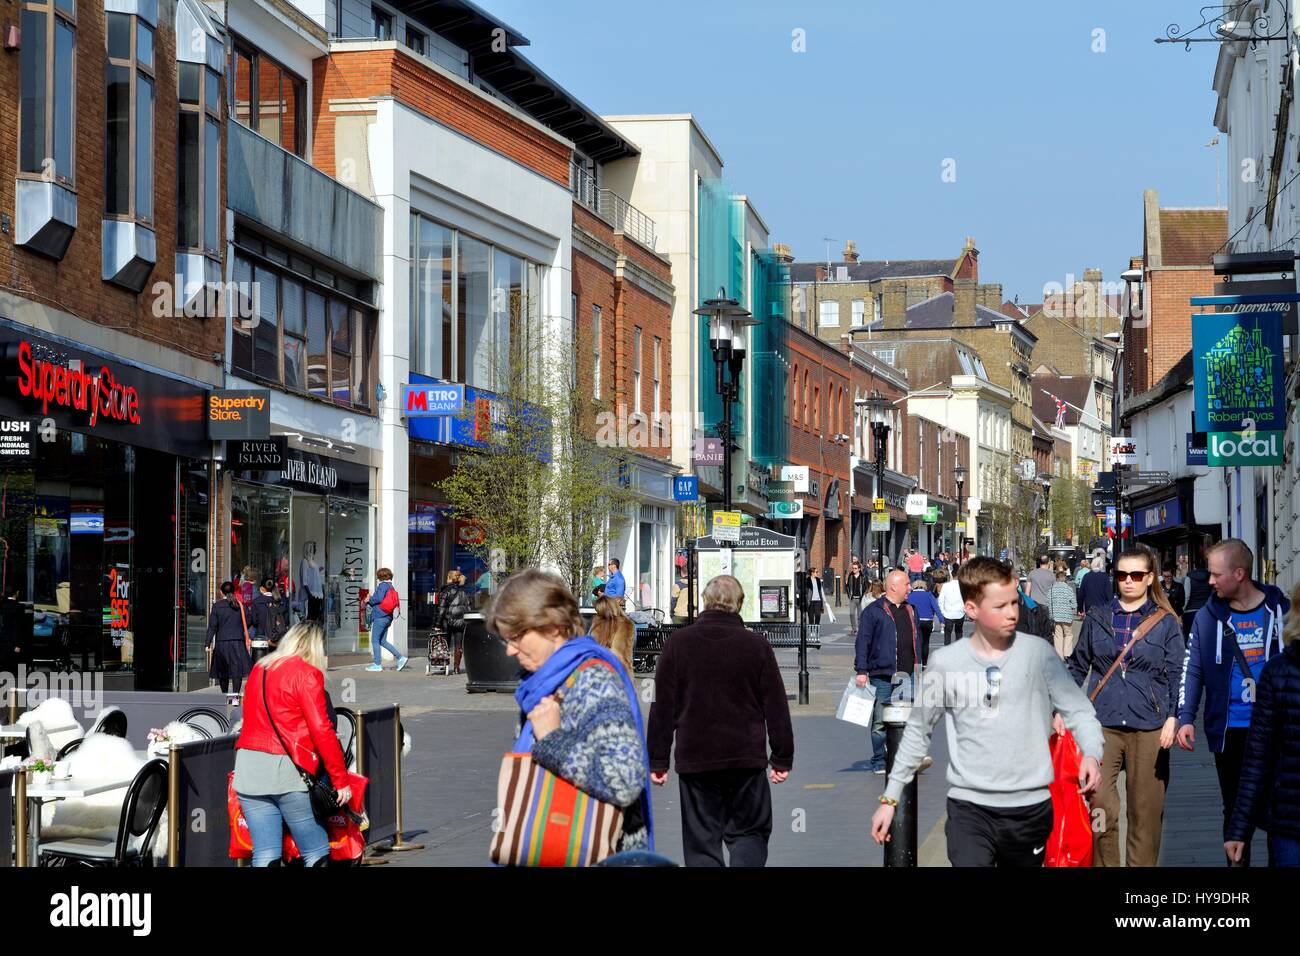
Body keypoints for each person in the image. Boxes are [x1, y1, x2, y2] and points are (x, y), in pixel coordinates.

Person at [871, 557, 1104, 866]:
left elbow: (1079, 710)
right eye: (1000, 606)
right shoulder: (947, 663)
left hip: (1029, 807)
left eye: (1014, 603)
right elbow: (916, 732)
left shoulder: (1039, 655)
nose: (1012, 613)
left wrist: (1091, 753)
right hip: (970, 808)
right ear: (971, 609)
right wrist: (890, 798)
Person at [489, 569, 653, 854]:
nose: (510, 651)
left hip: (593, 853)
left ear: (553, 628)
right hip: (552, 846)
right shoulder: (543, 681)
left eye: (516, 637)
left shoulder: (593, 681)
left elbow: (626, 778)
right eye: (506, 640)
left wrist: (553, 740)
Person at [646, 575, 793, 866]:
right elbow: (776, 705)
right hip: (745, 759)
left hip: (696, 759)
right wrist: (782, 757)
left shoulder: (678, 644)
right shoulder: (756, 646)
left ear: (704, 601)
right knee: (750, 833)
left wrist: (658, 760)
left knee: (702, 842)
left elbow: (662, 706)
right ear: (739, 604)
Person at [1067, 546, 1185, 867]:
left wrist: (1174, 717)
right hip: (1101, 724)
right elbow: (1077, 666)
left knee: (1145, 813)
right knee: (1099, 806)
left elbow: (1178, 674)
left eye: (1136, 574)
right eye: (1121, 575)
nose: (1128, 581)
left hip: (1149, 726)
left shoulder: (1165, 622)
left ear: (1149, 578)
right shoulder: (1098, 617)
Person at [1177, 538, 1290, 866]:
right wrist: (1186, 716)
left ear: (1239, 574)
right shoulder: (1207, 617)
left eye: (1216, 574)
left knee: (1278, 810)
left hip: (1275, 729)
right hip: (1231, 730)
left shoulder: (1280, 611)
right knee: (1236, 809)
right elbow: (1193, 668)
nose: (1210, 581)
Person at [233, 622, 351, 867]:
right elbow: (322, 729)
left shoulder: (260, 669)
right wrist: (340, 780)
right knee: (316, 852)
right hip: (288, 770)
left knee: (265, 854)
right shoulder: (306, 673)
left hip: (249, 766)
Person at [1226, 584, 1300, 867]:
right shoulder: (1278, 672)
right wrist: (1239, 827)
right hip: (1290, 822)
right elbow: (1258, 756)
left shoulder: (1277, 670)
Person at [855, 570, 921, 774]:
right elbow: (863, 641)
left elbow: (918, 640)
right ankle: (879, 760)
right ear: (893, 586)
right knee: (880, 721)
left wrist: (920, 664)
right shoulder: (874, 611)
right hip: (881, 675)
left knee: (908, 719)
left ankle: (904, 759)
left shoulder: (911, 610)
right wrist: (861, 670)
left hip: (907, 674)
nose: (910, 588)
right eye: (907, 584)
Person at [207, 580, 253, 706]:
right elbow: (249, 620)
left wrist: (207, 642)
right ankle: (235, 698)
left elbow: (212, 626)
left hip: (222, 642)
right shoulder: (239, 605)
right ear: (233, 591)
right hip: (237, 641)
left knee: (223, 671)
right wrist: (238, 629)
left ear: (221, 592)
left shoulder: (217, 606)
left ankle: (224, 697)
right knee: (237, 671)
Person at [365, 568, 407, 673]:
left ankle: (377, 664)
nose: (377, 578)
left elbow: (378, 599)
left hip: (380, 616)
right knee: (382, 641)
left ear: (381, 577)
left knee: (375, 640)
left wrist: (369, 599)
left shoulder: (382, 586)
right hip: (387, 617)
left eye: (378, 576)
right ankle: (400, 658)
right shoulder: (390, 586)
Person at [436, 569, 472, 675]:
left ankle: (445, 665)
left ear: (449, 578)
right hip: (460, 622)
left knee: (445, 644)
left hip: (447, 621)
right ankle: (456, 668)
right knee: (458, 646)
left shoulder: (445, 591)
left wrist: (437, 624)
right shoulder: (464, 592)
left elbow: (441, 610)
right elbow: (468, 607)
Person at [592, 595, 635, 677]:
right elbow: (631, 649)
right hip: (622, 673)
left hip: (599, 671)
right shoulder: (628, 625)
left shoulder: (596, 625)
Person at [251, 578, 289, 662]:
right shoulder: (280, 600)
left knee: (261, 663)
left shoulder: (257, 602)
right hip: (277, 637)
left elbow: (254, 621)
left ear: (262, 588)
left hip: (261, 636)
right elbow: (285, 620)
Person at [908, 579, 942, 667]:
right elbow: (936, 608)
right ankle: (924, 663)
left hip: (915, 621)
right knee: (925, 642)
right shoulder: (929, 595)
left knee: (916, 642)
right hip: (927, 621)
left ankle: (917, 661)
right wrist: (942, 620)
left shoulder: (910, 595)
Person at [1182, 541, 1214, 637]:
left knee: (1190, 638)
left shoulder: (1189, 578)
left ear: (1194, 567)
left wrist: (1182, 611)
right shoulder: (1209, 577)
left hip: (1190, 613)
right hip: (1205, 611)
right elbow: (1211, 595)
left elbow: (1186, 597)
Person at [1048, 570, 1078, 659]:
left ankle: (1059, 655)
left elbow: (1048, 602)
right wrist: (1072, 607)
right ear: (1064, 578)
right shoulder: (1068, 589)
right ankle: (1067, 654)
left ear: (1056, 578)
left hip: (1055, 617)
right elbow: (1074, 604)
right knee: (1068, 635)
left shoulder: (1051, 589)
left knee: (1058, 636)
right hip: (1067, 617)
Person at [939, 571, 967, 646]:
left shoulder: (946, 585)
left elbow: (941, 600)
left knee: (947, 634)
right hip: (960, 613)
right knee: (959, 632)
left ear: (951, 575)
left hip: (948, 613)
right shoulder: (963, 586)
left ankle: (947, 650)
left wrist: (943, 611)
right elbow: (967, 599)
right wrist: (965, 610)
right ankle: (958, 650)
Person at [845, 557, 867, 631]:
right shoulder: (850, 576)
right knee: (851, 614)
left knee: (860, 615)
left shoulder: (863, 577)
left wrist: (863, 596)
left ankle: (860, 629)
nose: (853, 569)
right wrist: (849, 595)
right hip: (852, 598)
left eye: (855, 568)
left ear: (859, 569)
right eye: (853, 568)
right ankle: (854, 629)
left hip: (860, 598)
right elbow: (847, 586)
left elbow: (865, 587)